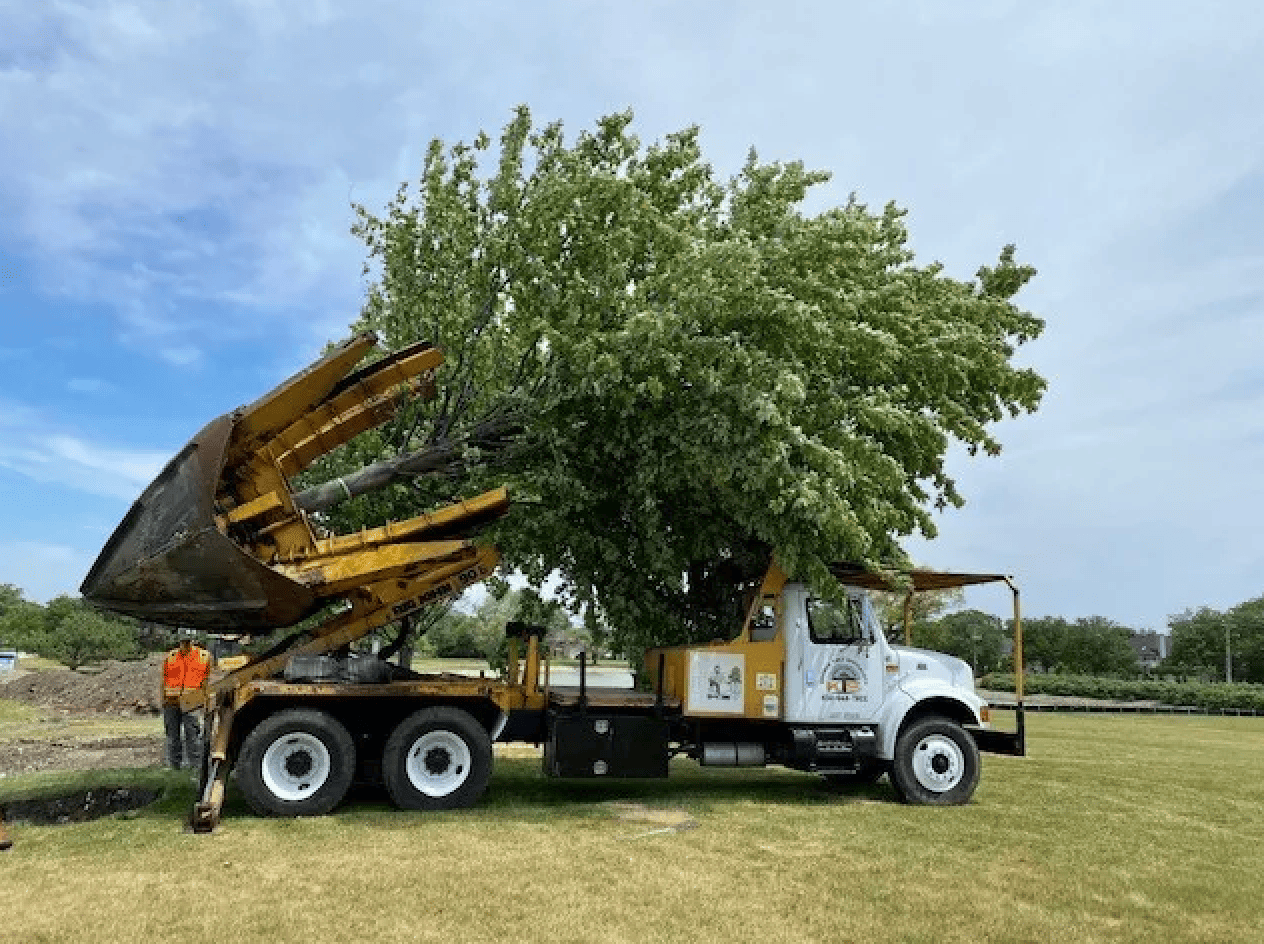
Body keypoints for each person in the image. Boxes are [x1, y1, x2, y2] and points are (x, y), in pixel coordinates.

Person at [160, 635, 213, 770]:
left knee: (193, 734)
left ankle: (196, 765)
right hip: (171, 701)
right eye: (183, 641)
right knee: (172, 735)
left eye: (187, 640)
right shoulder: (170, 656)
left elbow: (206, 680)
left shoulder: (203, 656)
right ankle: (173, 765)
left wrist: (205, 700)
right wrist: (163, 699)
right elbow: (164, 679)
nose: (185, 643)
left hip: (192, 702)